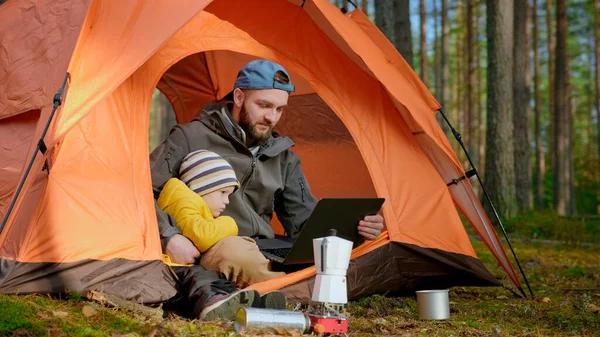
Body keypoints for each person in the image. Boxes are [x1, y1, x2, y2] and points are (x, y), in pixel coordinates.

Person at [150, 59, 384, 285]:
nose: (271, 117)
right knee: (237, 255)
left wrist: (356, 229)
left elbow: (304, 223)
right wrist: (169, 237)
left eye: (279, 109)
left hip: (265, 248)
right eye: (264, 106)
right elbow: (142, 193)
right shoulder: (190, 137)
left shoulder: (283, 156)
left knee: (333, 258)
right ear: (239, 97)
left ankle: (289, 287)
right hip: (216, 245)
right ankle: (296, 292)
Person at [157, 149, 284, 286]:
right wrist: (230, 223)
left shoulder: (190, 202)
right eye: (223, 192)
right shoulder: (184, 201)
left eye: (228, 195)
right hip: (174, 275)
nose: (227, 201)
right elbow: (202, 236)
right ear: (201, 186)